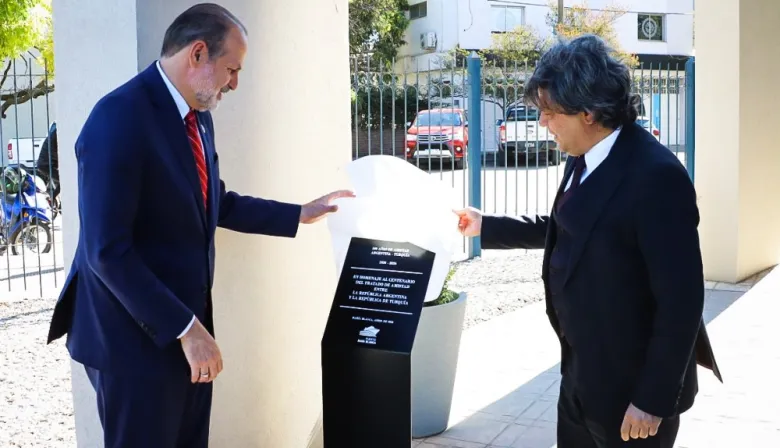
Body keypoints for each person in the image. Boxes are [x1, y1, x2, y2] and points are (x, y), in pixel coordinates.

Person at [46, 4, 354, 447]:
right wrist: (187, 329)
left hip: (184, 335)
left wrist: (297, 213)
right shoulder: (118, 119)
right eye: (231, 68)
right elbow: (107, 253)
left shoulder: (198, 117)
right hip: (132, 342)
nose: (235, 82)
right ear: (197, 54)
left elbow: (215, 203)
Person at [455, 35, 721, 448]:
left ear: (590, 112)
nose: (542, 122)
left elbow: (682, 300)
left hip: (634, 395)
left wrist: (651, 400)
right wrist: (487, 226)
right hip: (581, 376)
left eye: (548, 112)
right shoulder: (584, 153)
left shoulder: (656, 177)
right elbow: (569, 225)